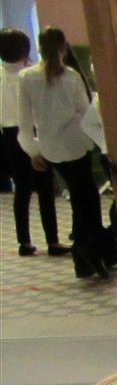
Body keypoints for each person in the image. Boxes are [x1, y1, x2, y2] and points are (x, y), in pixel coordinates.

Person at [16, 27, 116, 279]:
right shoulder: (71, 76)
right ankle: (90, 249)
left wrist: (32, 151)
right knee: (87, 198)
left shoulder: (26, 77)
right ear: (64, 48)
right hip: (77, 143)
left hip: (50, 147)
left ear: (39, 47)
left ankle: (88, 251)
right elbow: (86, 112)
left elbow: (24, 121)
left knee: (79, 196)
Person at [0, 27, 66, 258]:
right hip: (34, 130)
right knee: (45, 187)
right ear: (24, 50)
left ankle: (24, 241)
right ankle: (53, 240)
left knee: (22, 189)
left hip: (8, 135)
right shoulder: (30, 75)